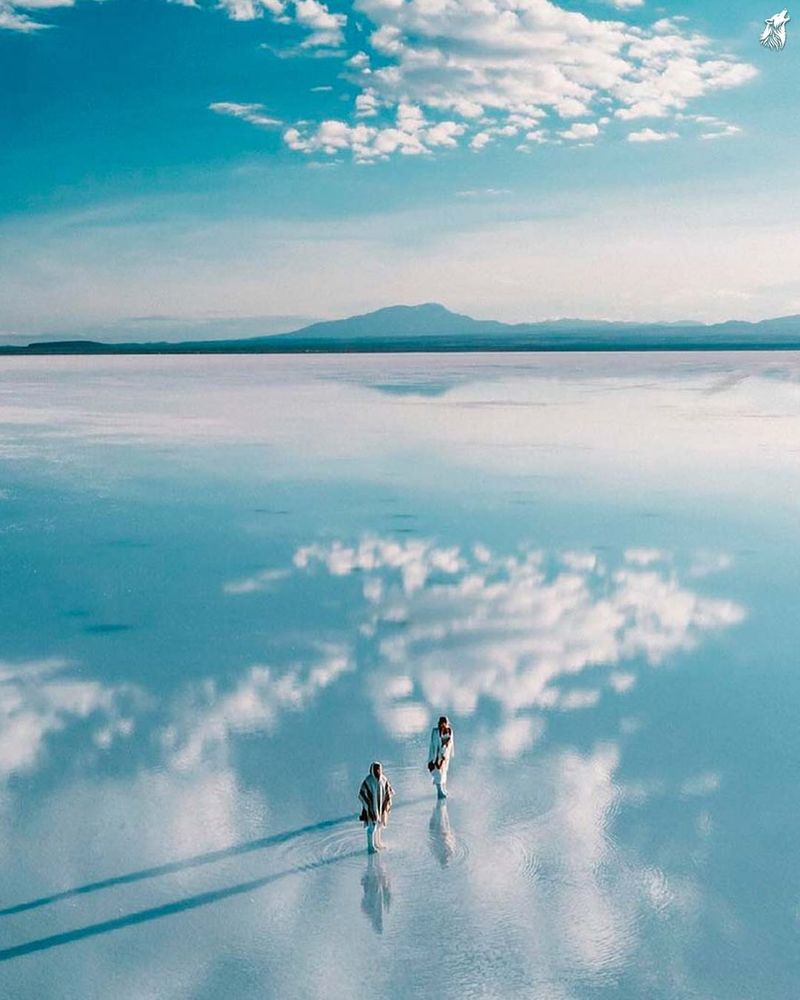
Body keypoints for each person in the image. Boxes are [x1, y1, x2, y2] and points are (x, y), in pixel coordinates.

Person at [358, 761, 393, 853]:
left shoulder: (383, 779)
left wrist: (387, 802)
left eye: (379, 769)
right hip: (371, 808)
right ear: (372, 769)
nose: (378, 771)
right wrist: (368, 806)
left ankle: (378, 843)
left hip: (380, 807)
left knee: (379, 825)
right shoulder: (368, 780)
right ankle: (370, 846)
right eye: (376, 769)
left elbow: (388, 790)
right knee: (372, 827)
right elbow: (362, 794)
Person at [428, 715, 454, 799]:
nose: (441, 726)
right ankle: (439, 790)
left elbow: (446, 747)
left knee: (443, 772)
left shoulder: (448, 732)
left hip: (443, 755)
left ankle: (442, 789)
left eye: (443, 724)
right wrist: (431, 760)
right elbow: (432, 746)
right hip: (434, 754)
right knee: (436, 773)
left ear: (446, 724)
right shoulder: (435, 732)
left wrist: (441, 759)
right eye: (440, 724)